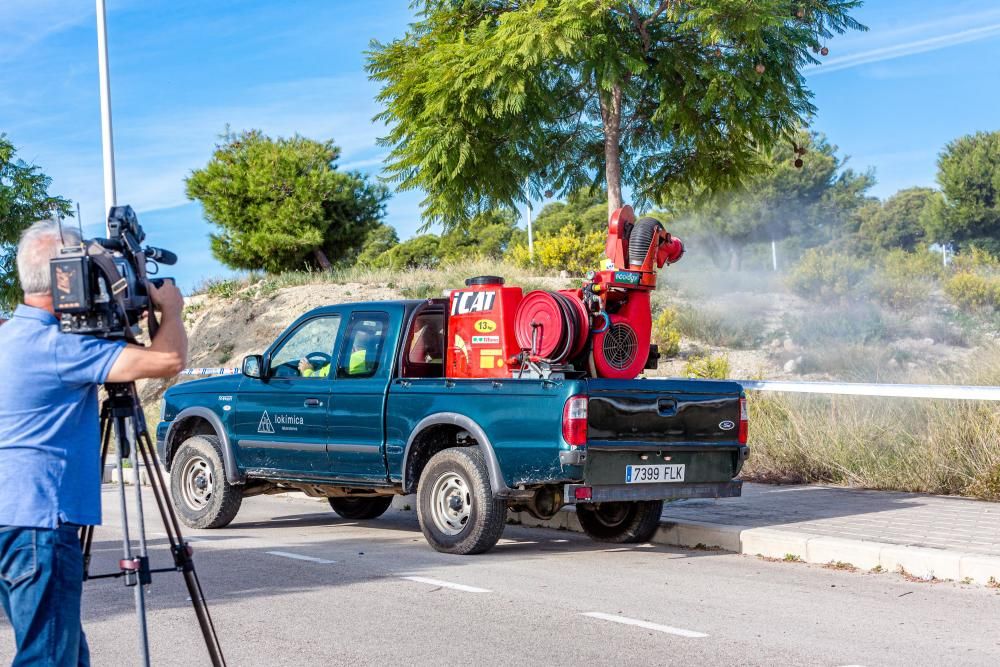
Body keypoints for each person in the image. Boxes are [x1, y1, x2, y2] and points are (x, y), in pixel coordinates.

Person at [0, 219, 189, 666]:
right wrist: (172, 311)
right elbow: (168, 360)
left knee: (64, 651)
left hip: (12, 520)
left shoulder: (10, 335)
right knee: (48, 658)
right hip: (38, 524)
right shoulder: (59, 347)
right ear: (65, 275)